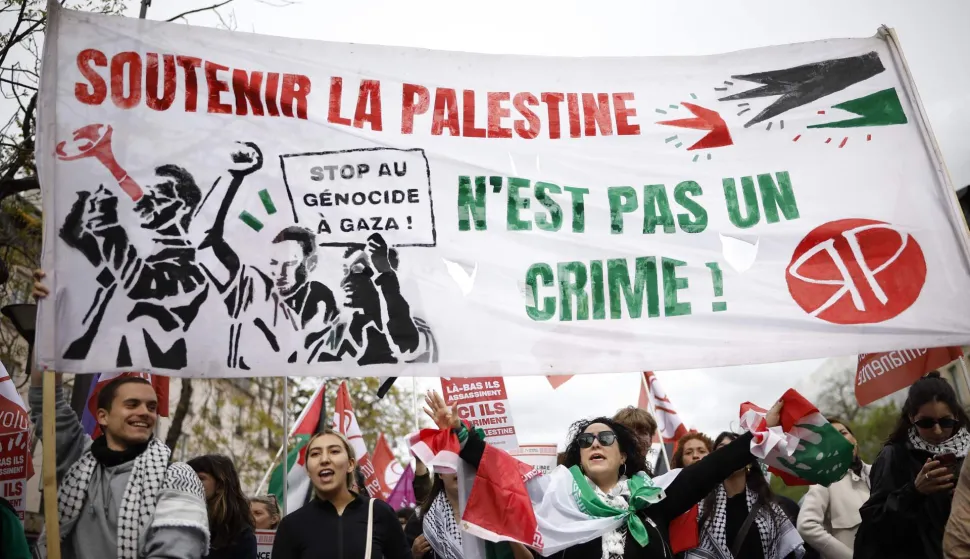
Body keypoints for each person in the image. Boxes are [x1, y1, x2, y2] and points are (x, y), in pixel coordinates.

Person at [425, 390, 786, 559]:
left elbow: (710, 469)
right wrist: (462, 433)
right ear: (580, 457)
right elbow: (504, 475)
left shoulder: (654, 497)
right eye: (585, 440)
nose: (594, 443)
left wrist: (757, 435)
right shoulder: (556, 497)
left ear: (623, 454)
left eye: (605, 438)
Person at [26, 367, 208, 559]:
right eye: (132, 404)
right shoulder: (77, 458)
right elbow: (44, 395)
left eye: (151, 407)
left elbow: (176, 552)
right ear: (102, 416)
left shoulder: (178, 477)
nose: (145, 412)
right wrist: (48, 344)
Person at [855, 372, 970, 559]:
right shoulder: (894, 455)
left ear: (956, 415)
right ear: (911, 417)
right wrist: (915, 492)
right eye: (926, 423)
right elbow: (875, 526)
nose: (938, 430)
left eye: (946, 421)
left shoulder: (968, 450)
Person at [271, 429, 411, 558]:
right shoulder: (291, 525)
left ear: (350, 464)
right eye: (315, 454)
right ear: (308, 469)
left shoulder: (379, 512)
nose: (324, 460)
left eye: (334, 451)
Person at [685, 432, 805, 559]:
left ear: (748, 462)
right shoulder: (701, 509)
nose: (730, 454)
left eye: (736, 449)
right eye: (722, 450)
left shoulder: (770, 507)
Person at [405, 472, 533, 559]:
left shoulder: (498, 512)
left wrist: (506, 532)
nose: (458, 468)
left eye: (462, 461)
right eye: (451, 462)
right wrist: (413, 555)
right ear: (440, 472)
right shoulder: (421, 519)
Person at [796, 418, 870, 559]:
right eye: (831, 438)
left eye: (843, 433)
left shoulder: (878, 471)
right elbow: (806, 526)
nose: (840, 440)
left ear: (855, 440)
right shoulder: (825, 481)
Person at [188, 455, 257, 559]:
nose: (191, 482)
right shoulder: (177, 520)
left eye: (200, 478)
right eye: (188, 477)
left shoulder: (240, 534)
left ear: (220, 486)